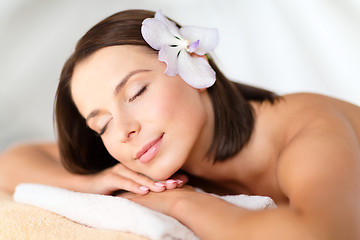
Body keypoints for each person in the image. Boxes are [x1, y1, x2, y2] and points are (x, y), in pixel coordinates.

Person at [1, 9, 360, 240]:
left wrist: (180, 205)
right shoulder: (156, 150)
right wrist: (92, 182)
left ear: (194, 62)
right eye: (102, 125)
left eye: (137, 91)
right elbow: (12, 161)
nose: (124, 129)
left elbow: (324, 233)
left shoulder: (309, 129)